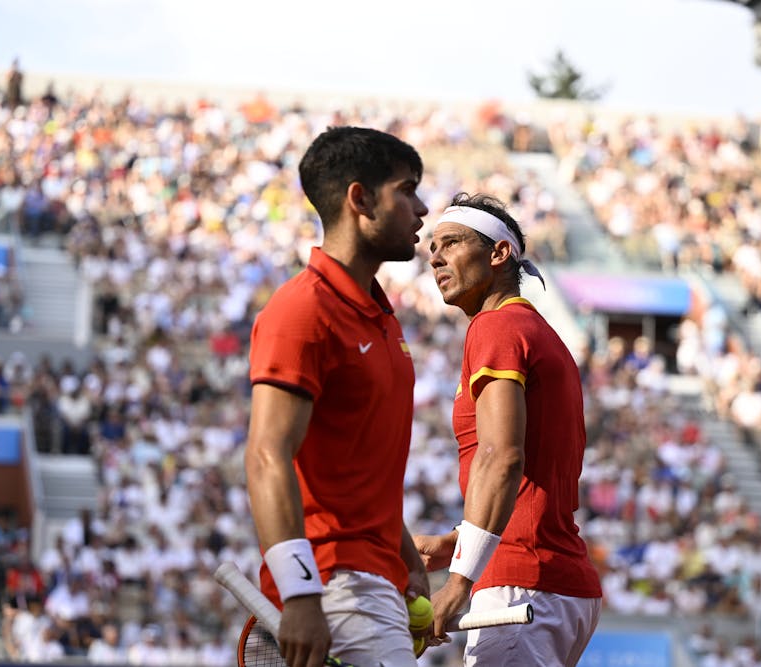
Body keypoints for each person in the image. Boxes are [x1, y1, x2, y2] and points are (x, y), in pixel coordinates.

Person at [244, 126, 430, 667]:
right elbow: (265, 455)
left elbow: (353, 470)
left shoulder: (380, 315)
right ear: (360, 199)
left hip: (370, 585)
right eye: (407, 189)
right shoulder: (302, 310)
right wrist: (300, 594)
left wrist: (405, 556)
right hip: (335, 591)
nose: (421, 209)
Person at [415, 193, 603, 665]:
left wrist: (459, 580)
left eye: (452, 242)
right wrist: (458, 542)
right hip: (551, 582)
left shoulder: (495, 327)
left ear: (499, 254)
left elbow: (503, 457)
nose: (435, 256)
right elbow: (531, 481)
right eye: (432, 247)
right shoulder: (534, 331)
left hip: (523, 586)